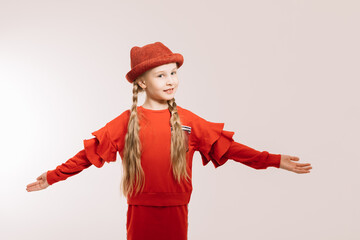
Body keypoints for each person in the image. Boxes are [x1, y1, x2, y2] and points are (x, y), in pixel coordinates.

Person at [26, 41, 312, 240]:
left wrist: (273, 160)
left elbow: (231, 149)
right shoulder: (125, 122)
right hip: (140, 211)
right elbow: (86, 156)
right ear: (141, 82)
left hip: (176, 210)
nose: (170, 80)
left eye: (173, 73)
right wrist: (52, 177)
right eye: (160, 75)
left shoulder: (188, 121)